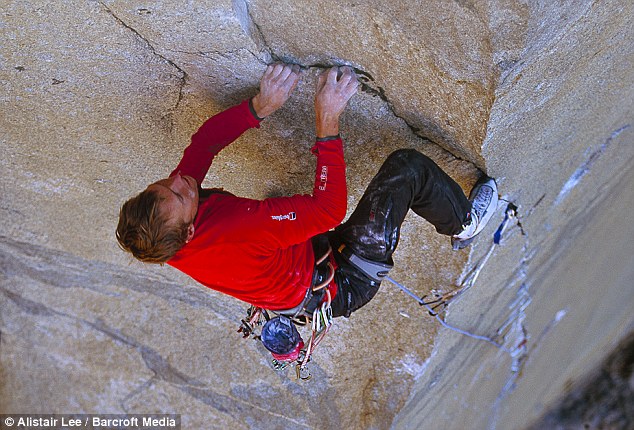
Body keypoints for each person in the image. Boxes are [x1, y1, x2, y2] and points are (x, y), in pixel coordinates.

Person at [116, 63, 497, 326]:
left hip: (301, 263)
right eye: (181, 194)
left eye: (163, 185)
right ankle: (465, 224)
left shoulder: (162, 229)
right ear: (189, 233)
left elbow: (204, 143)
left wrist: (259, 107)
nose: (180, 181)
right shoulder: (237, 229)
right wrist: (327, 116)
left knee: (282, 212)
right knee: (407, 169)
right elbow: (328, 211)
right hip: (344, 280)